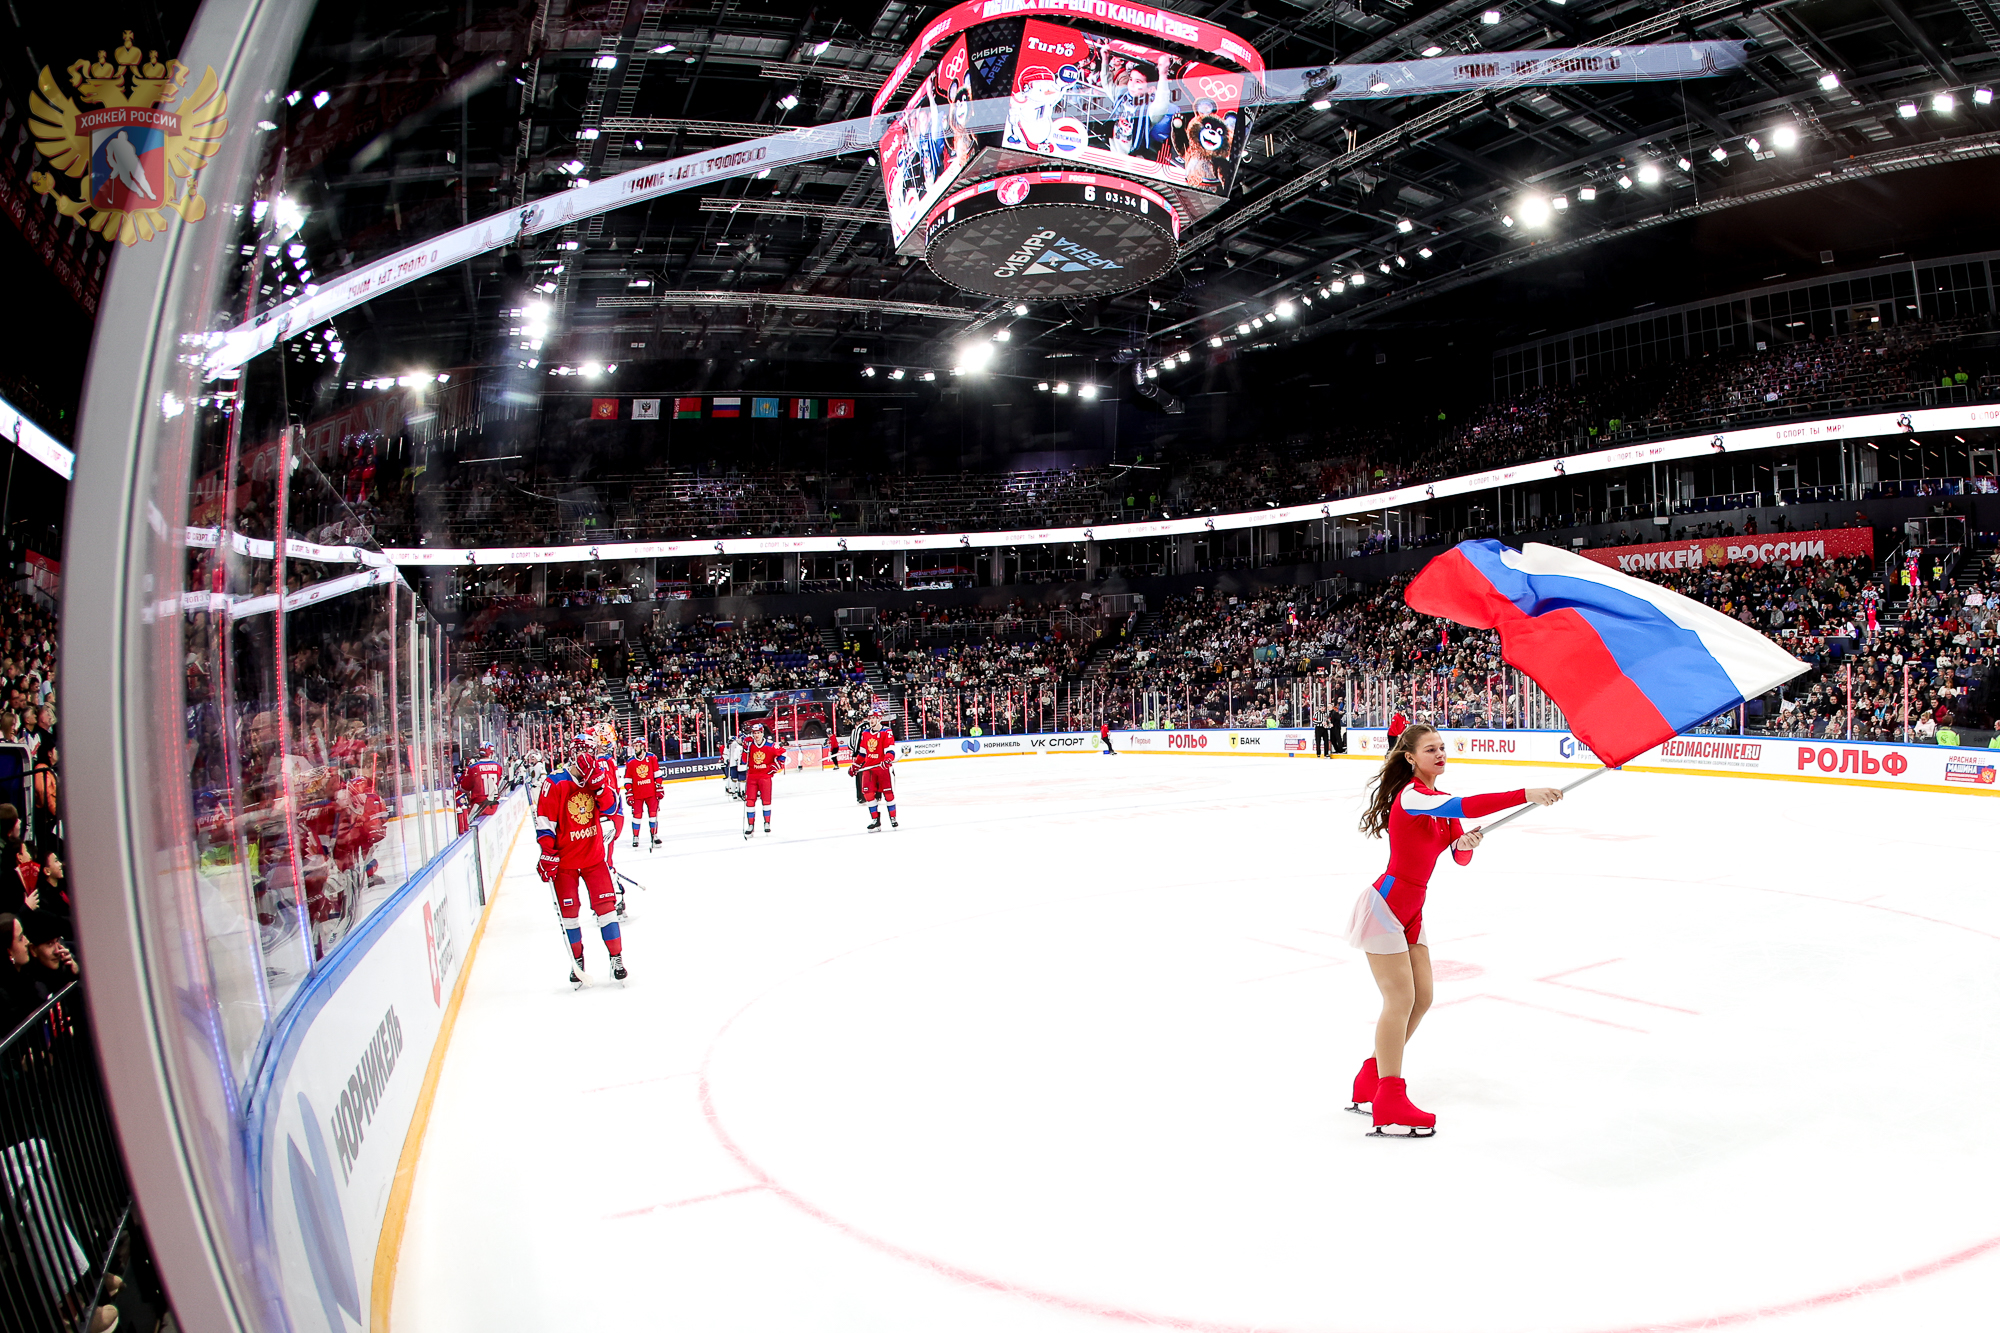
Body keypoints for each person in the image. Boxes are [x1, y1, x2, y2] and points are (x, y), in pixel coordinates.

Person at [1345, 725, 1560, 1137]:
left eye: (1442, 747)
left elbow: (1458, 855)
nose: (1441, 753)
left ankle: (1371, 1075)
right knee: (1399, 999)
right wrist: (1526, 793)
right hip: (1385, 906)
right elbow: (1466, 806)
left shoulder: (1438, 802)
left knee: (1422, 998)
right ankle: (1389, 1098)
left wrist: (1464, 845)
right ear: (1410, 757)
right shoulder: (1413, 796)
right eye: (1431, 749)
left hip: (1412, 911)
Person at [534, 733, 627, 987]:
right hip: (565, 863)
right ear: (573, 754)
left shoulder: (597, 775)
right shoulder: (555, 782)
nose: (589, 757)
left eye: (591, 752)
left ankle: (616, 958)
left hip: (594, 858)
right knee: (569, 914)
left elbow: (611, 808)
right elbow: (545, 822)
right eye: (584, 752)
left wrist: (598, 786)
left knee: (607, 909)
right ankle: (577, 961)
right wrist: (547, 852)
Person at [850, 711, 898, 830]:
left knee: (888, 794)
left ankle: (893, 818)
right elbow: (862, 753)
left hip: (883, 768)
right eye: (870, 718)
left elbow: (890, 750)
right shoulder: (865, 733)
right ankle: (875, 820)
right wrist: (855, 766)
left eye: (874, 718)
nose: (871, 720)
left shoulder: (886, 732)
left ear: (879, 719)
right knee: (868, 794)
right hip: (869, 768)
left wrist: (887, 759)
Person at [740, 722, 786, 838]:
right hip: (752, 777)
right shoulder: (750, 746)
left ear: (762, 733)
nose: (756, 735)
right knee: (750, 801)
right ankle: (751, 825)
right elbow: (744, 761)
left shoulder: (770, 745)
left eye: (758, 733)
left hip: (765, 777)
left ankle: (767, 822)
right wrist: (745, 749)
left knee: (766, 801)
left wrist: (776, 766)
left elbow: (783, 754)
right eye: (754, 733)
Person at [624, 746, 663, 850]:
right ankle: (636, 837)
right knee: (637, 816)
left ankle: (654, 835)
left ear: (642, 746)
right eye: (634, 746)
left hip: (651, 793)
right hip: (637, 794)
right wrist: (629, 792)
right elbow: (627, 779)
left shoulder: (651, 757)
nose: (635, 748)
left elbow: (657, 774)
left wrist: (659, 787)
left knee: (653, 815)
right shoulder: (630, 761)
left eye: (637, 746)